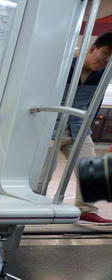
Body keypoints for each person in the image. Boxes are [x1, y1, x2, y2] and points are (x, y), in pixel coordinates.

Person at [37, 32, 112, 225]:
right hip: (51, 128)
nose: (106, 59)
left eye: (111, 57)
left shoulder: (102, 76)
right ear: (92, 49)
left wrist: (89, 127)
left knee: (93, 171)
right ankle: (35, 208)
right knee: (43, 173)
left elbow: (95, 104)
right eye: (106, 52)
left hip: (79, 129)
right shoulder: (63, 68)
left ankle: (87, 210)